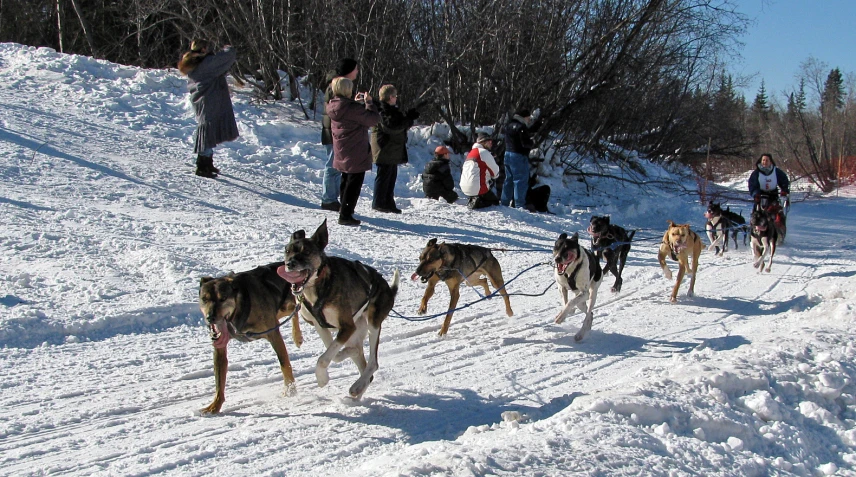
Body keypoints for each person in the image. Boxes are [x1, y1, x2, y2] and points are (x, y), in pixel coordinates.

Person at [178, 39, 239, 178]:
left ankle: (206, 162)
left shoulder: (194, 63)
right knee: (207, 131)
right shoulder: (206, 64)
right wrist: (228, 47)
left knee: (207, 130)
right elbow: (228, 56)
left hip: (204, 101)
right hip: (208, 101)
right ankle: (202, 166)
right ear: (204, 50)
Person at [326, 77, 380, 226]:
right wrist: (369, 103)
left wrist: (357, 104)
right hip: (356, 148)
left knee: (345, 178)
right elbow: (373, 119)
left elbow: (350, 117)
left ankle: (344, 208)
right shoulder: (351, 108)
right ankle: (346, 214)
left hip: (342, 147)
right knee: (354, 182)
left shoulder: (333, 105)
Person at [370, 84, 419, 213]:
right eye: (395, 96)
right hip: (384, 147)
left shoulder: (390, 109)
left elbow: (398, 124)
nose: (396, 98)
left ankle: (387, 202)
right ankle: (379, 202)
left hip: (390, 148)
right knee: (384, 175)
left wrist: (407, 118)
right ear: (390, 97)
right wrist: (407, 119)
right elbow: (392, 127)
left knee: (391, 175)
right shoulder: (382, 109)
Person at [320, 58, 360, 211]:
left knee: (337, 166)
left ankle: (332, 198)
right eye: (355, 69)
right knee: (332, 165)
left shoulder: (339, 85)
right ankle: (328, 199)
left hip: (336, 131)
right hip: (333, 132)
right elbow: (339, 109)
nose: (357, 72)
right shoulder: (335, 86)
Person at [501, 108, 541, 208]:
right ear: (523, 117)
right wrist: (532, 142)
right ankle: (519, 205)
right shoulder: (521, 127)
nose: (529, 120)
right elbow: (525, 143)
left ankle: (504, 203)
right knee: (520, 180)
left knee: (508, 180)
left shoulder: (508, 125)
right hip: (518, 156)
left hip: (507, 154)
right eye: (528, 118)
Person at [748, 153, 790, 232]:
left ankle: (779, 231)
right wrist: (755, 194)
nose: (765, 162)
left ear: (771, 162)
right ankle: (755, 232)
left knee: (778, 212)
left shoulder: (776, 171)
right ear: (760, 161)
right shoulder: (756, 173)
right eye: (763, 160)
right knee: (756, 215)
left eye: (767, 160)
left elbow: (784, 181)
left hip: (773, 195)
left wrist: (784, 190)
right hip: (760, 196)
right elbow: (752, 185)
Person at [460, 132, 501, 209]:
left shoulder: (471, 153)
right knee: (494, 202)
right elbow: (496, 173)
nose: (491, 143)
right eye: (489, 141)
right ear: (484, 142)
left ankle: (475, 198)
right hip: (477, 187)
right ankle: (478, 202)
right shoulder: (484, 152)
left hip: (464, 187)